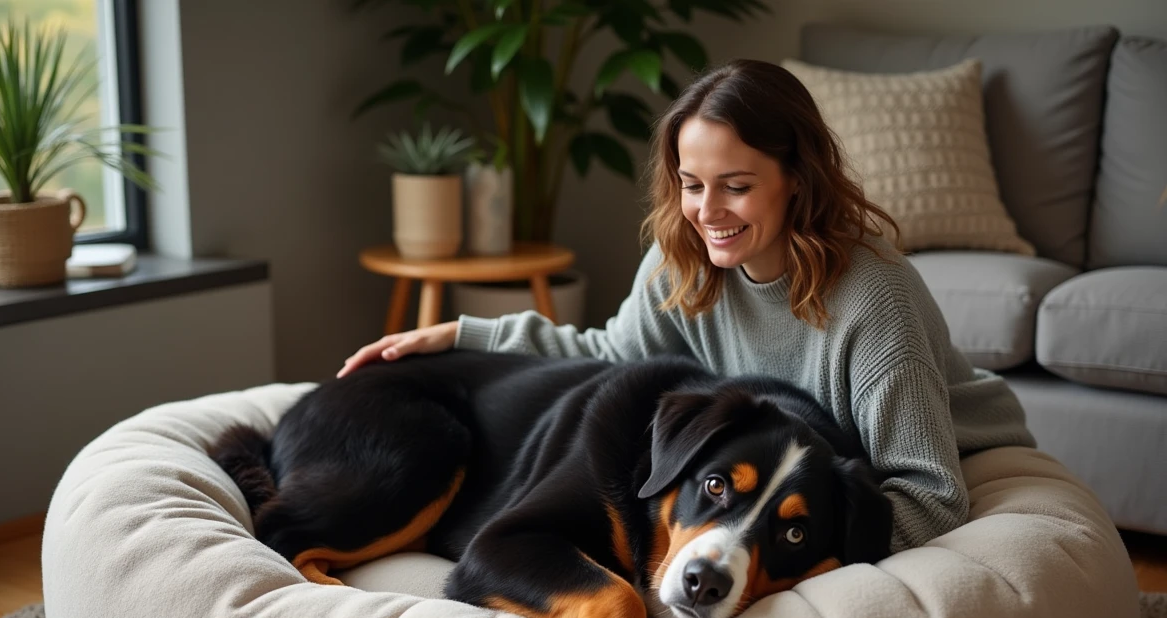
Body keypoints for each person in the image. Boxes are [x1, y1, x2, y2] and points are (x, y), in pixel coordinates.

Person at [337, 59, 1034, 553]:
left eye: (735, 185)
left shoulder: (874, 297)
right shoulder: (684, 258)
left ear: (798, 179)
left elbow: (930, 496)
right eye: (691, 183)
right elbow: (609, 358)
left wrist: (792, 558)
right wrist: (463, 333)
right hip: (808, 472)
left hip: (934, 454)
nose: (707, 211)